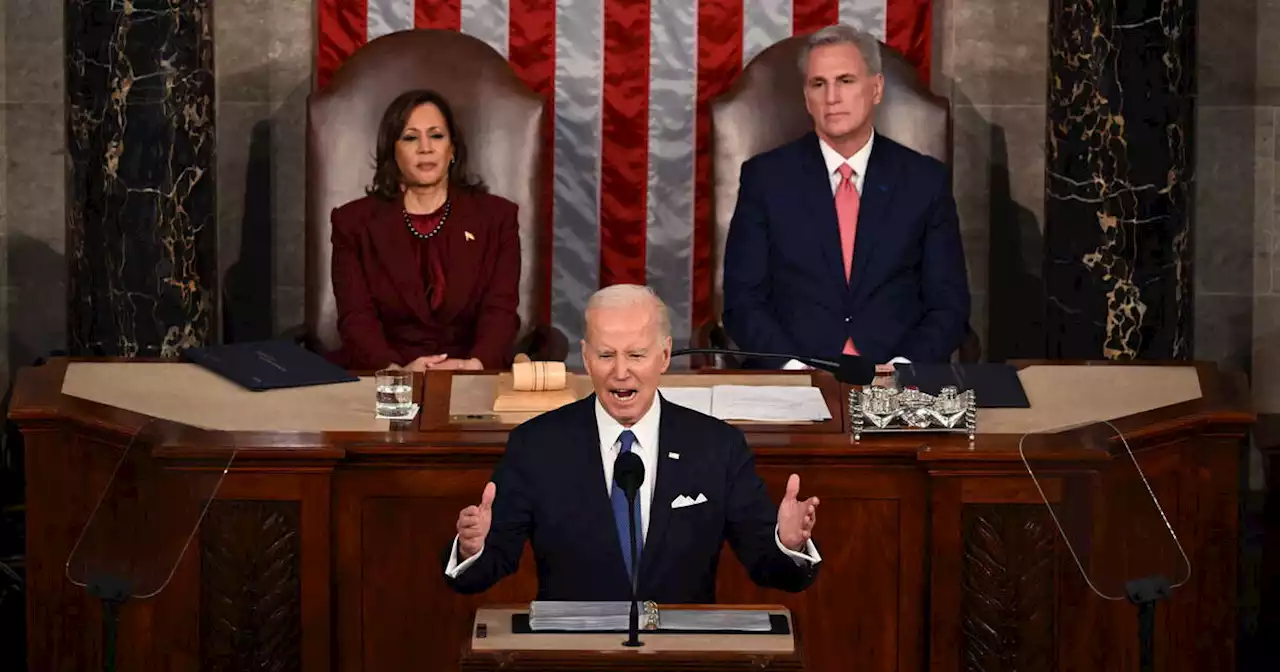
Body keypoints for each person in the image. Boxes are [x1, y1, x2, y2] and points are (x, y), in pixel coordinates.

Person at [442, 284, 821, 602]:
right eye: (606, 355)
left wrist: (788, 543)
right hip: (573, 656)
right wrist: (472, 547)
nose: (621, 372)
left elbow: (769, 565)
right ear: (587, 358)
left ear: (665, 355)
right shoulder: (537, 445)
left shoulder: (716, 446)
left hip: (682, 656)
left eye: (636, 355)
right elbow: (483, 570)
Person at [722, 24, 970, 367]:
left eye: (846, 81)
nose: (832, 97)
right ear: (806, 97)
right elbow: (743, 301)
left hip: (896, 376)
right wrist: (791, 369)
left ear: (877, 88)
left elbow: (949, 306)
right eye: (818, 84)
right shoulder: (765, 178)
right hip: (794, 379)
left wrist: (904, 366)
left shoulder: (924, 181)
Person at [326, 89, 521, 372]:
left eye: (437, 135)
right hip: (385, 376)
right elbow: (356, 317)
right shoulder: (354, 223)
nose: (425, 148)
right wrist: (395, 372)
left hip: (474, 374)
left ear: (452, 148)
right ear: (392, 151)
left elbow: (500, 310)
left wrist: (474, 366)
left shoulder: (497, 217)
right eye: (410, 137)